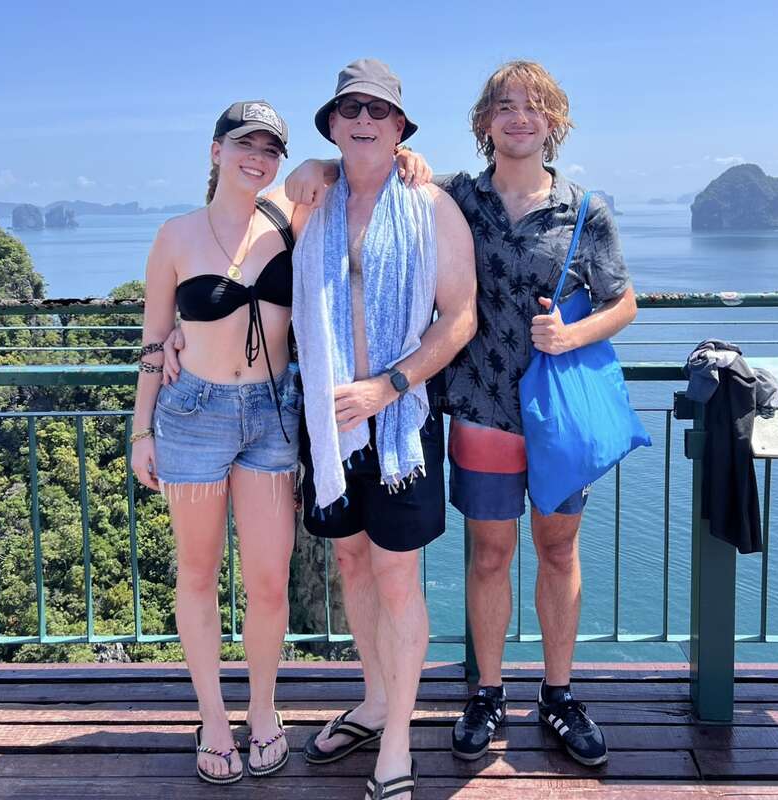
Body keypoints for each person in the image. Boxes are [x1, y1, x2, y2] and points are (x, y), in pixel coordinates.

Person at [289, 58, 637, 769]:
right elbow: (374, 168)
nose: (519, 117)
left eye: (533, 106)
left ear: (554, 121)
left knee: (559, 550)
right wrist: (317, 167)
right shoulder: (455, 196)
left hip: (558, 412)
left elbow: (624, 301)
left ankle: (559, 694)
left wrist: (573, 335)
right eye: (505, 106)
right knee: (490, 554)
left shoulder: (583, 208)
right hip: (479, 406)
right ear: (484, 123)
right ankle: (486, 692)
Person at [290, 58, 476, 800]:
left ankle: (397, 737)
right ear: (332, 125)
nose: (363, 120)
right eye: (350, 109)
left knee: (397, 576)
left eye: (378, 110)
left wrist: (388, 385)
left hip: (400, 423)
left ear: (399, 126)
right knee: (352, 564)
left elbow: (460, 318)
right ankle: (372, 701)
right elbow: (236, 236)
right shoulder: (309, 200)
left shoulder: (430, 205)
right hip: (330, 427)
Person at [131, 100, 303, 785]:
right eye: (243, 145)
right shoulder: (176, 236)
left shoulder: (287, 221)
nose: (256, 159)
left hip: (271, 415)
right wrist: (141, 429)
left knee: (268, 579)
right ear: (215, 151)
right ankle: (212, 717)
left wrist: (408, 158)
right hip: (194, 415)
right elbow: (153, 342)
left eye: (269, 149)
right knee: (198, 573)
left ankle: (262, 708)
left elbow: (342, 169)